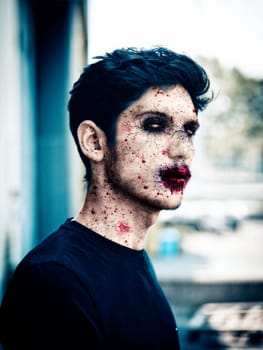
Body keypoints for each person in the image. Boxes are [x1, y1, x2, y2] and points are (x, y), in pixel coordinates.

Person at [0, 46, 212, 349]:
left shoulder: (130, 253)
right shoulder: (54, 282)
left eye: (189, 130)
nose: (183, 150)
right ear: (95, 142)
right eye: (154, 126)